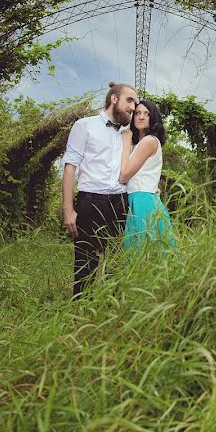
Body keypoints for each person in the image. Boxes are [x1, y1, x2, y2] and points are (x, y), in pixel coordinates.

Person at [63, 82, 138, 298]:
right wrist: (68, 209)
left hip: (119, 203)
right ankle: (78, 312)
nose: (133, 107)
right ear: (114, 99)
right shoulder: (84, 125)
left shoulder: (128, 133)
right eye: (129, 100)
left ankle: (110, 314)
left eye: (135, 102)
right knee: (86, 262)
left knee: (116, 263)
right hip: (91, 202)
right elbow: (70, 166)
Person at [118, 99, 175, 253]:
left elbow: (123, 176)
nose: (141, 117)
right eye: (137, 113)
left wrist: (126, 141)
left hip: (141, 199)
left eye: (146, 114)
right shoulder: (140, 143)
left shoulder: (149, 141)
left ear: (153, 118)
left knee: (139, 253)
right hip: (142, 198)